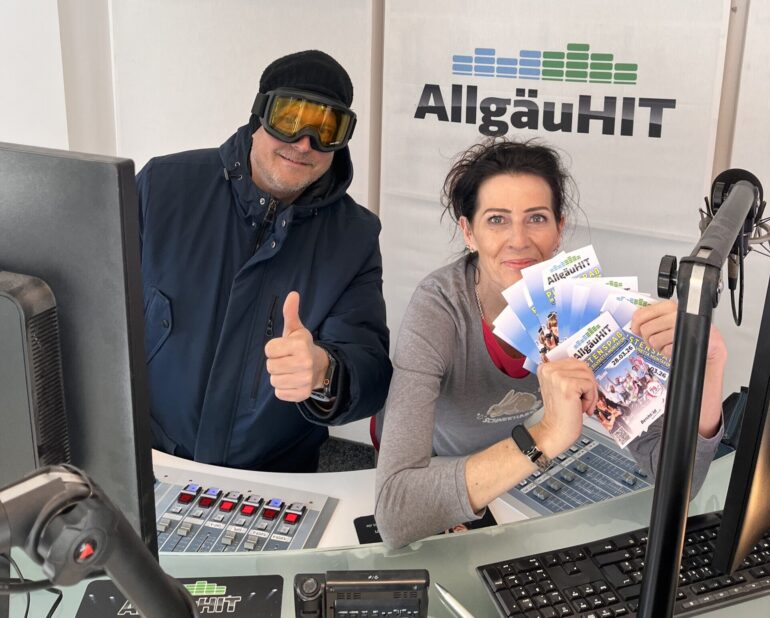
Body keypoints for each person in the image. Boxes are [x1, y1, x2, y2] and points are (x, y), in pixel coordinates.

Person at [374, 138, 726, 548]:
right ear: (468, 232)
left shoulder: (580, 308)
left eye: (536, 218)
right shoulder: (438, 308)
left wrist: (710, 369)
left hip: (505, 468)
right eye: (497, 219)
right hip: (435, 464)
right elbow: (396, 513)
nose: (518, 240)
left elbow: (680, 479)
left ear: (559, 228)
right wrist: (546, 436)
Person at [137, 50, 392, 472]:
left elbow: (371, 370)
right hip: (150, 457)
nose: (305, 142)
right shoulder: (162, 188)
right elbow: (98, 306)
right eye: (290, 119)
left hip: (274, 475)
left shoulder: (354, 237)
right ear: (260, 116)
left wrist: (325, 373)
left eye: (327, 129)